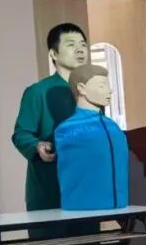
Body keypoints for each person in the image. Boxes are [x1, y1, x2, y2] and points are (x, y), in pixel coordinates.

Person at [12, 22, 106, 245]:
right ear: (53, 54)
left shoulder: (91, 91)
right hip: (48, 194)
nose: (80, 49)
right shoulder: (38, 92)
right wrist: (37, 147)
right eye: (70, 44)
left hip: (85, 194)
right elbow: (21, 133)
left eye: (83, 43)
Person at [55, 64, 129, 211]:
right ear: (81, 88)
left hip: (119, 206)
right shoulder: (68, 129)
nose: (109, 90)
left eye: (108, 85)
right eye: (102, 85)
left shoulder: (112, 127)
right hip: (81, 208)